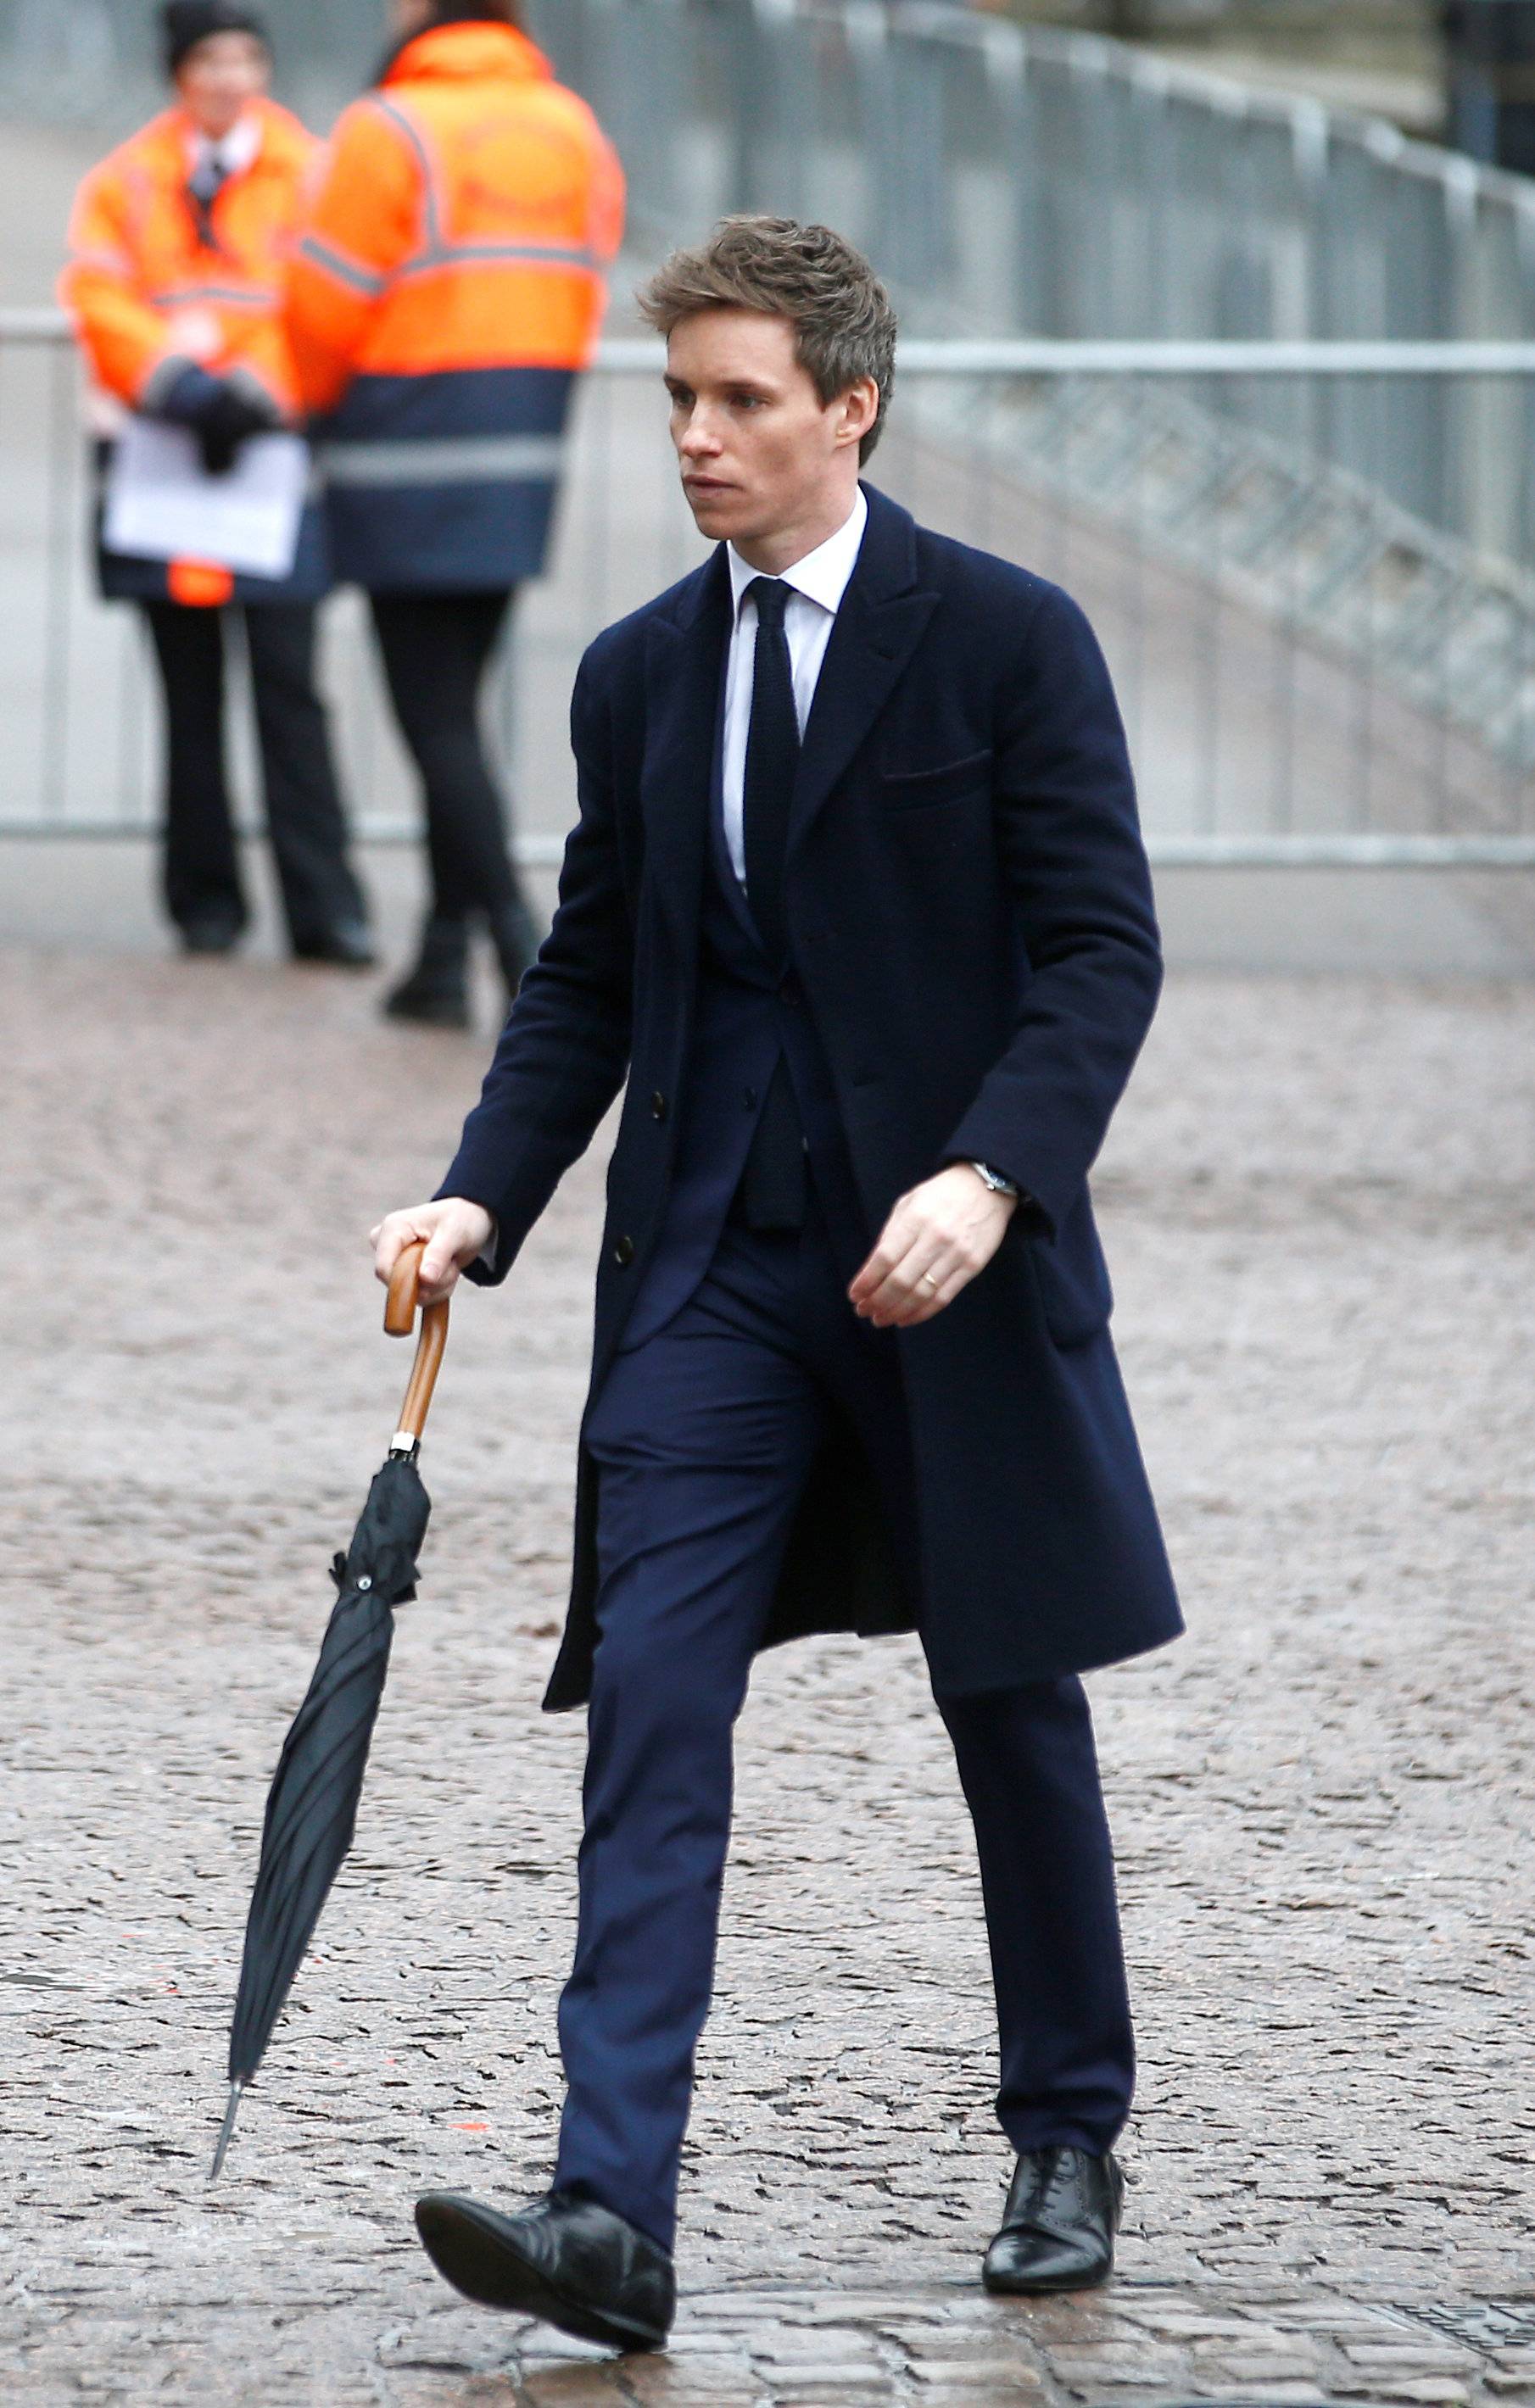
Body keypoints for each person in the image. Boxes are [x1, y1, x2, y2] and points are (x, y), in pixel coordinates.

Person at [371, 217, 1182, 2352]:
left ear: (850, 403)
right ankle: (607, 2208)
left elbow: (1101, 946)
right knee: (649, 1696)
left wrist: (994, 1170)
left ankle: (1065, 2127)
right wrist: (477, 1196)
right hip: (711, 1272)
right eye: (676, 401)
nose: (697, 440)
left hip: (947, 1272)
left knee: (1007, 1691)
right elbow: (583, 979)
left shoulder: (1005, 641)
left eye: (738, 399)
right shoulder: (638, 670)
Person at [285, 0, 625, 1028]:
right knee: (460, 702)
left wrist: (303, 403)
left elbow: (321, 303)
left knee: (433, 716)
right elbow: (592, 266)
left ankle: (523, 949)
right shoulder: (573, 127)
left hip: (405, 441)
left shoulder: (388, 128)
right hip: (522, 441)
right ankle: (438, 955)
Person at [60, 1, 372, 964]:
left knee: (289, 688)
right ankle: (205, 906)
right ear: (177, 72)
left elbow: (323, 296)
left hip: (269, 461)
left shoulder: (316, 173)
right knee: (187, 692)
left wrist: (255, 390)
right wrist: (181, 385)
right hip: (168, 457)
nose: (230, 75)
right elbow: (97, 292)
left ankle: (325, 912)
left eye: (246, 56)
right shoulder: (127, 180)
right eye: (210, 58)